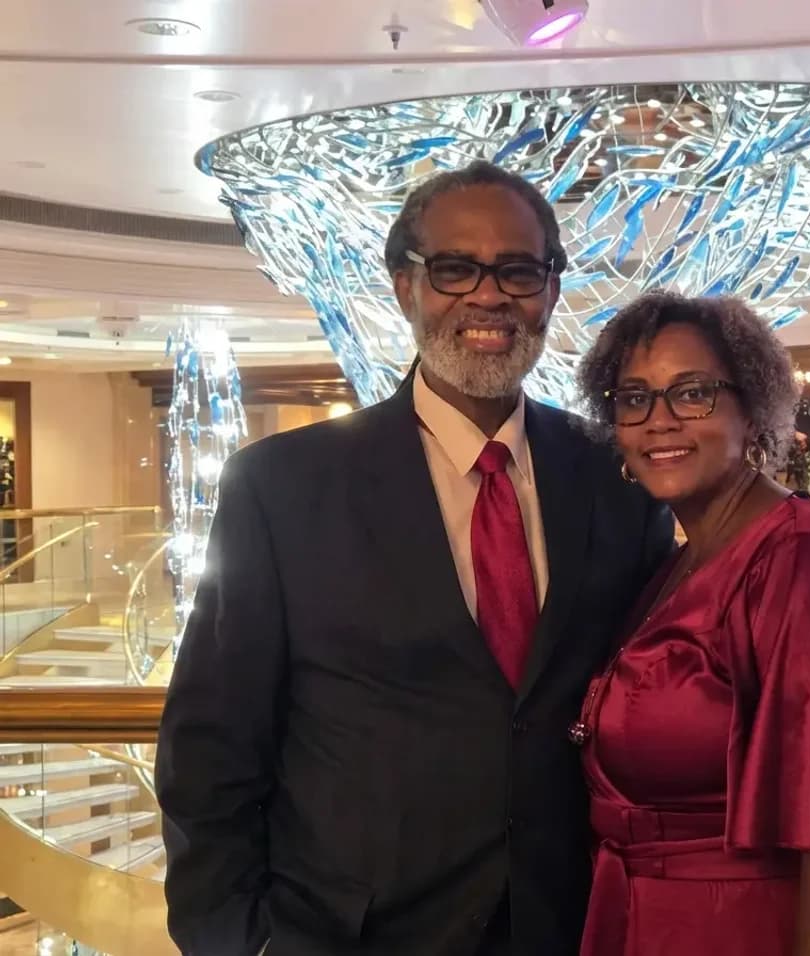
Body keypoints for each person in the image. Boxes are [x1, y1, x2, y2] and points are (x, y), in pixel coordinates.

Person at [156, 160, 673, 956]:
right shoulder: (283, 487)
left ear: (552, 289)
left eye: (519, 270)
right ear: (406, 286)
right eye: (456, 269)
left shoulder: (616, 480)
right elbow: (211, 749)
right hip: (346, 936)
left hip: (570, 929)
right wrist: (235, 942)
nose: (490, 295)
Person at [572, 291, 810, 956]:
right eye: (635, 398)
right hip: (645, 921)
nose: (660, 421)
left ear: (753, 410)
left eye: (693, 393)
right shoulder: (674, 565)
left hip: (746, 927)